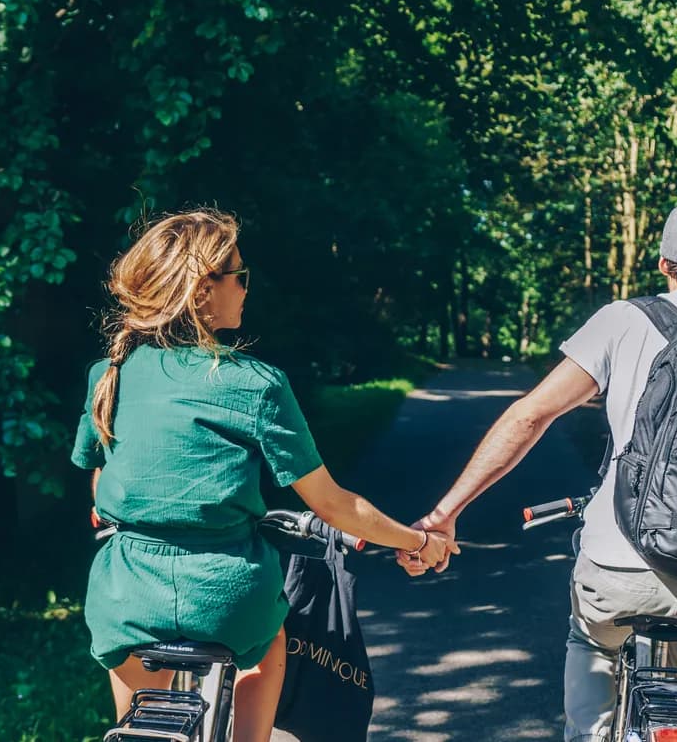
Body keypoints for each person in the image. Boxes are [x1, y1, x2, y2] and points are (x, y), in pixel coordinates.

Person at [399, 203, 677, 742]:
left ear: (665, 264)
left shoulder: (624, 321)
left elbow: (530, 416)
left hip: (619, 569)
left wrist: (445, 514)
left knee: (593, 641)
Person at [71, 208, 458, 742]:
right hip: (228, 597)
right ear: (203, 290)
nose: (246, 289)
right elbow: (334, 505)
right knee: (265, 648)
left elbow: (99, 482)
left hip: (123, 597)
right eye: (239, 275)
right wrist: (417, 540)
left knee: (137, 684)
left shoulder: (106, 376)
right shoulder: (255, 383)